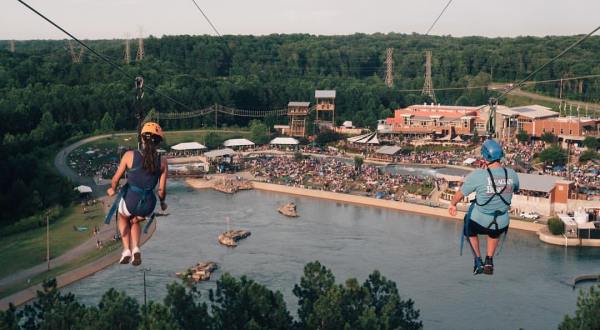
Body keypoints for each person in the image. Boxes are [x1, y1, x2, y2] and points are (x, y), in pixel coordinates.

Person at [448, 139, 519, 275]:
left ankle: (478, 260)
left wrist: (452, 204)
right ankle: (489, 259)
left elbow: (460, 193)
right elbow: (515, 188)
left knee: (468, 226)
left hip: (480, 221)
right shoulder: (512, 174)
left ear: (485, 157)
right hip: (501, 222)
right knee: (494, 231)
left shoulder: (478, 175)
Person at [107, 122, 168, 266]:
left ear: (142, 139)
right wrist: (163, 203)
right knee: (134, 220)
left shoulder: (129, 155)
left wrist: (112, 189)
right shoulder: (163, 161)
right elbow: (162, 190)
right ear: (158, 143)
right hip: (148, 205)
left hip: (131, 199)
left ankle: (127, 249)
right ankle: (136, 249)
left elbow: (115, 179)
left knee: (123, 216)